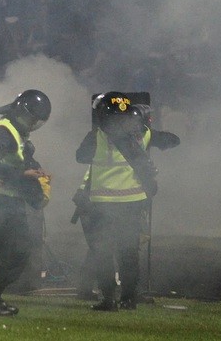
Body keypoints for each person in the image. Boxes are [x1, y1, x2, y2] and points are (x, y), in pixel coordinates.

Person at [75, 92, 159, 311]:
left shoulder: (96, 136)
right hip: (131, 201)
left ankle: (109, 299)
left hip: (102, 203)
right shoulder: (140, 135)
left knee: (103, 252)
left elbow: (81, 156)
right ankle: (129, 299)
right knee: (128, 253)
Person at [0, 89, 52, 316]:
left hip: (9, 199)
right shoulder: (2, 130)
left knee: (18, 251)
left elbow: (18, 163)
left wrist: (35, 174)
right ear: (21, 111)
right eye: (31, 119)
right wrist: (24, 175)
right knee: (2, 252)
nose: (32, 124)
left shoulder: (17, 133)